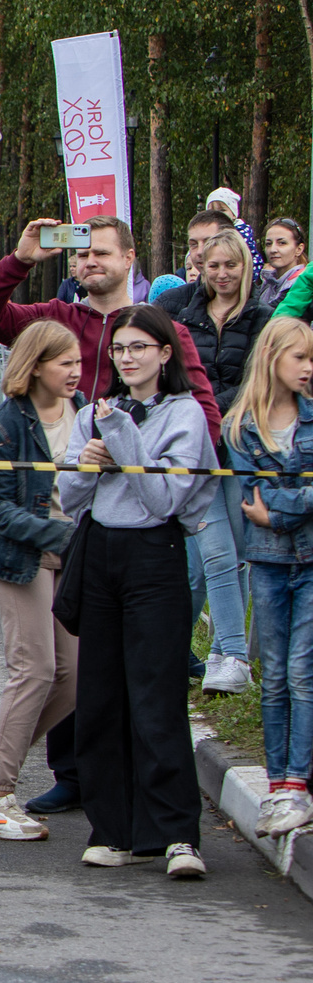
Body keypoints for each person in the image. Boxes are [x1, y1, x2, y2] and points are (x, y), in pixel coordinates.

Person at [0, 213, 224, 817]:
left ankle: (119, 775)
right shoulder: (57, 322)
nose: (88, 263)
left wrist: (170, 474)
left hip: (143, 522)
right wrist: (23, 259)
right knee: (56, 659)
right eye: (80, 256)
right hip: (69, 513)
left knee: (96, 663)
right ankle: (67, 773)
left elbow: (202, 413)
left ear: (131, 258)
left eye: (102, 253)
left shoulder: (165, 331)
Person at [56, 304, 215, 880]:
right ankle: (113, 830)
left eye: (139, 348)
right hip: (99, 553)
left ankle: (175, 835)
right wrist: (89, 466)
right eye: (120, 349)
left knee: (156, 696)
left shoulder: (184, 414)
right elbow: (68, 497)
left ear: (165, 353)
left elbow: (164, 502)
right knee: (100, 695)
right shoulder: (93, 412)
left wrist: (120, 441)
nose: (127, 359)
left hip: (155, 557)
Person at [0, 320, 86, 842]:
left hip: (75, 554)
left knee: (74, 674)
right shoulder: (8, 422)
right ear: (35, 365)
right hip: (22, 557)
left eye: (79, 363)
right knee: (33, 668)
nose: (76, 373)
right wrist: (56, 534)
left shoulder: (89, 412)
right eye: (66, 364)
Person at [173, 228, 269, 696]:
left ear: (245, 266)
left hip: (241, 446)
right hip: (197, 448)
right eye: (214, 265)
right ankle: (231, 652)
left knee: (240, 554)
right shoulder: (180, 312)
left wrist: (212, 406)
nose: (223, 273)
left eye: (231, 265)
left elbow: (258, 379)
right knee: (214, 554)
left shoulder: (263, 316)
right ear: (202, 267)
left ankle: (228, 654)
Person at [230, 317, 313, 840]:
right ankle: (278, 778)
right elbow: (247, 497)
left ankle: (297, 785)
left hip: (310, 561)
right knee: (276, 673)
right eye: (300, 357)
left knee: (303, 671)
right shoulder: (242, 426)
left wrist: (277, 512)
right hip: (267, 562)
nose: (308, 368)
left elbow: (269, 504)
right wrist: (292, 506)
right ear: (272, 358)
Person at [259, 218, 306, 311]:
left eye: (282, 243)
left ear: (299, 249)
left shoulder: (304, 285)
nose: (273, 250)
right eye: (268, 244)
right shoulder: (266, 285)